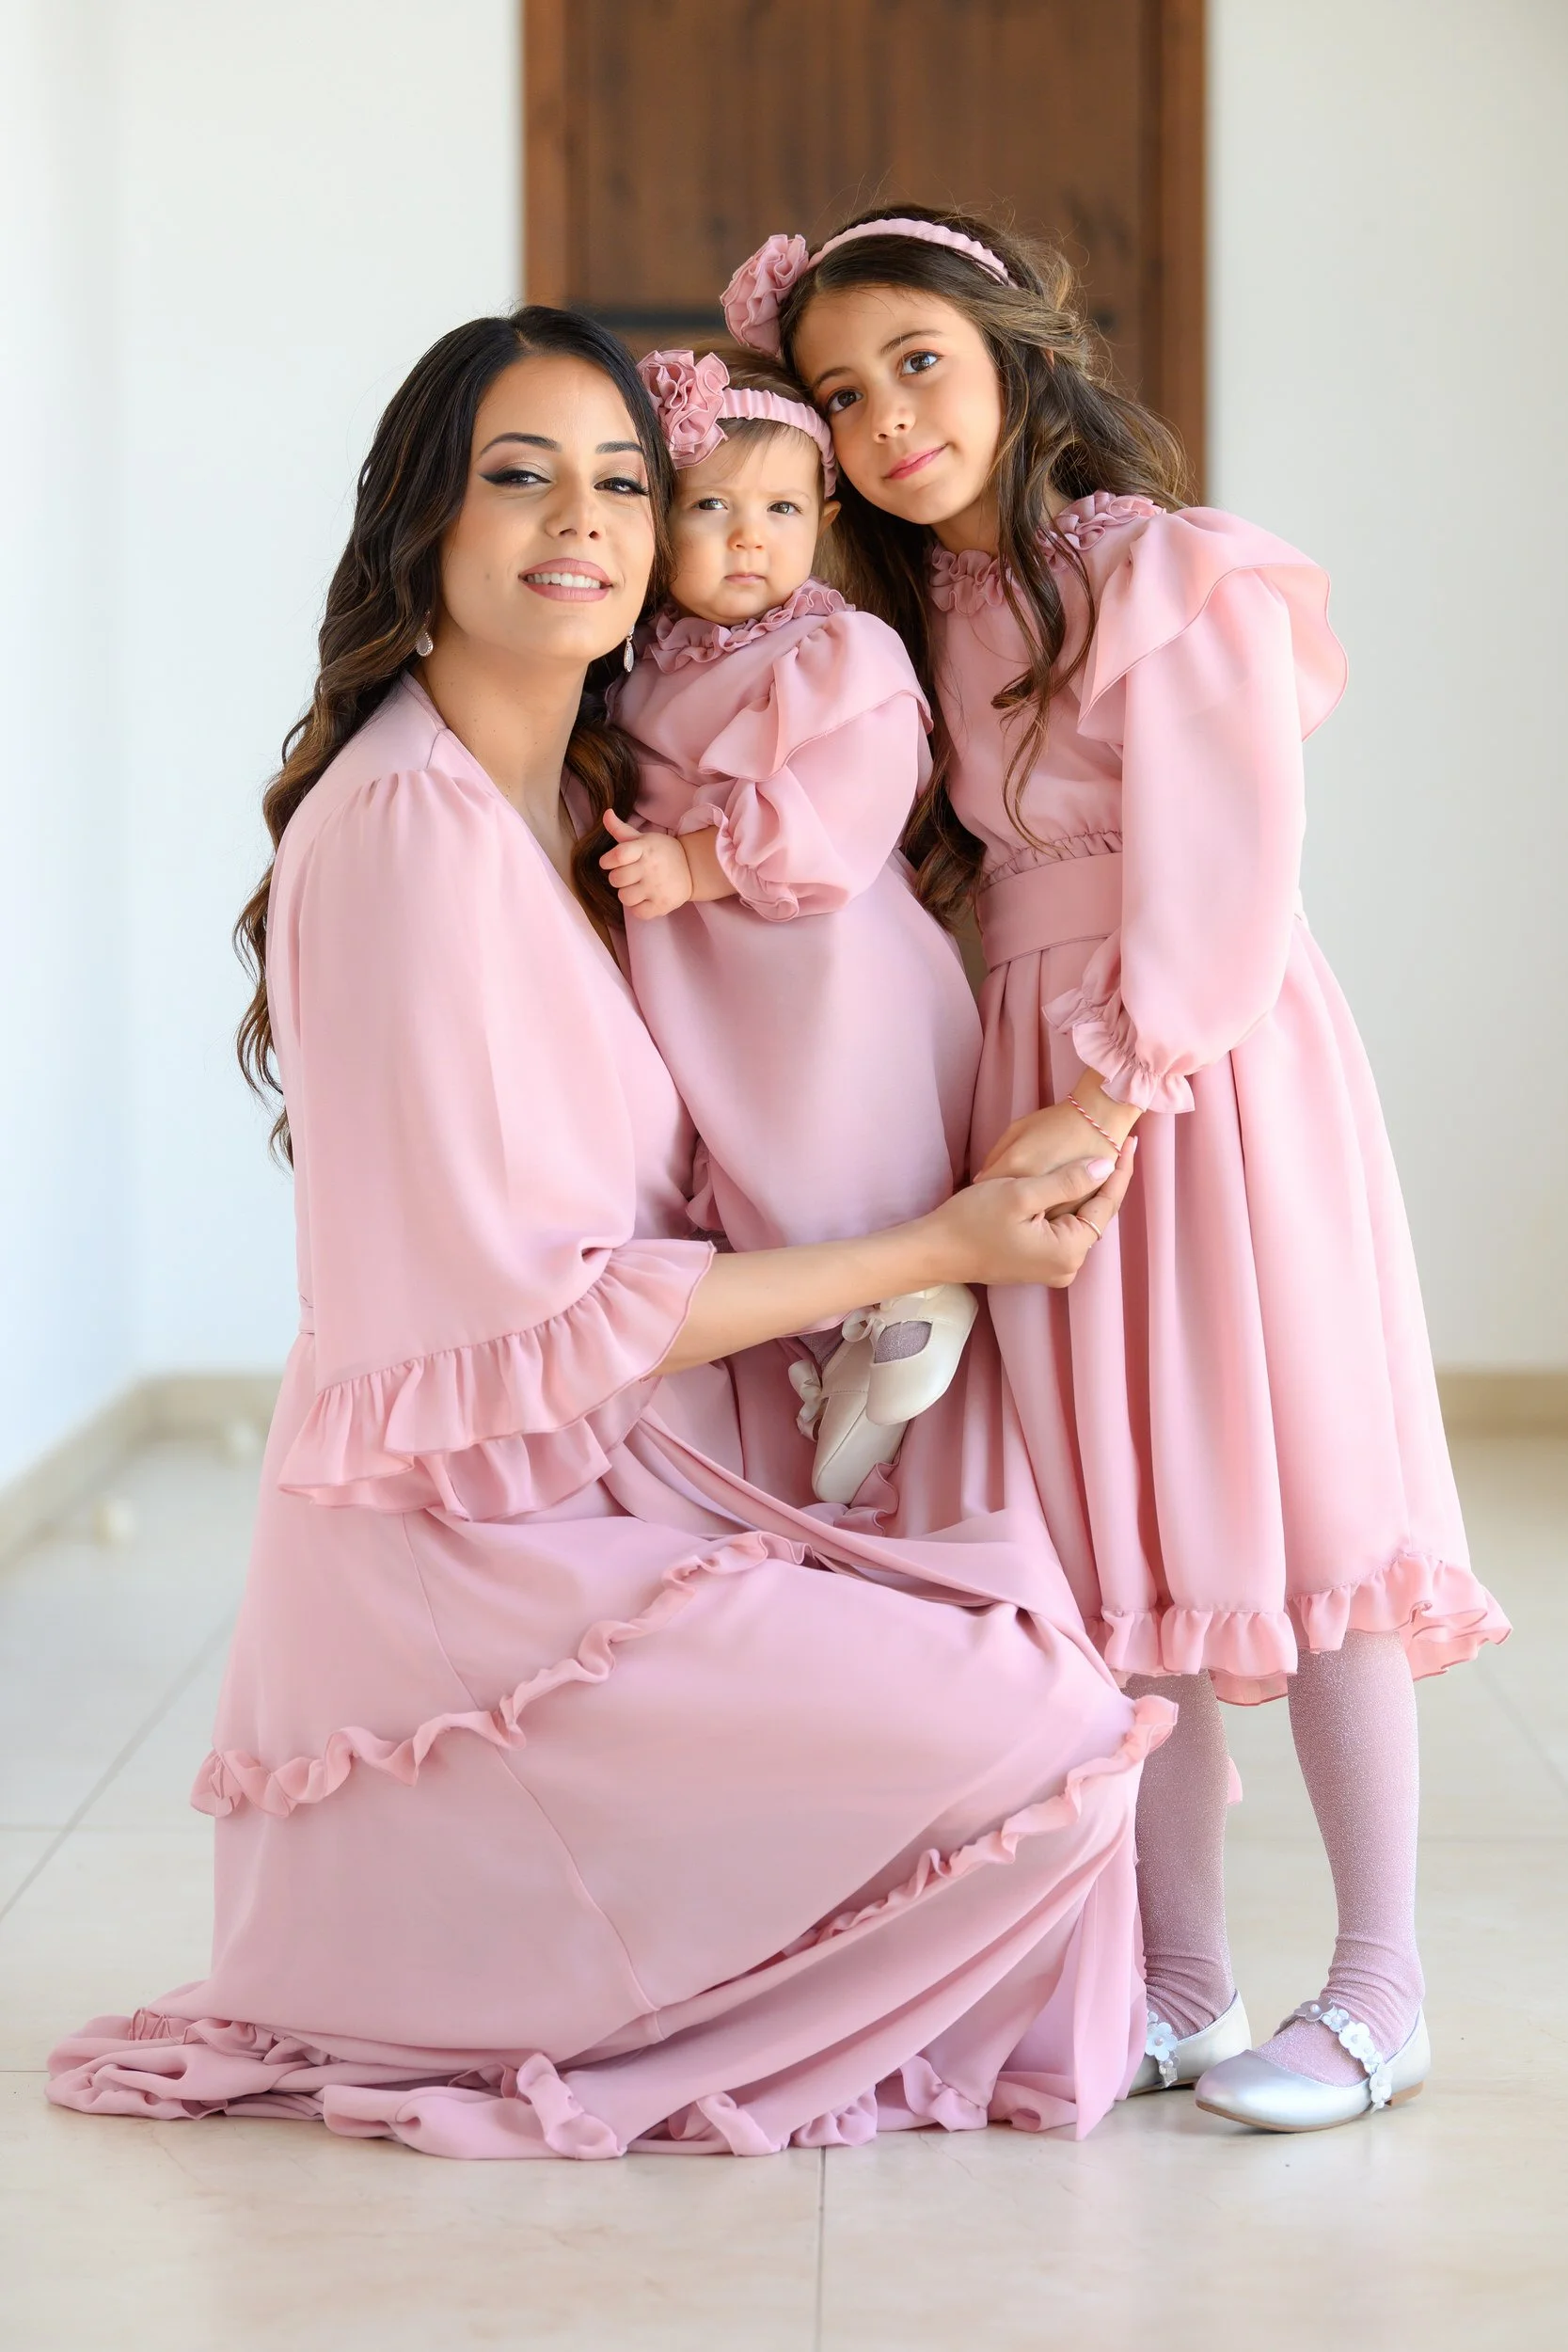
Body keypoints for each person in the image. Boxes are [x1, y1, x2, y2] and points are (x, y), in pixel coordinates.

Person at [46, 305, 1166, 2160]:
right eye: (517, 474)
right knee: (1045, 1739)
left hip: (603, 1494)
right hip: (478, 1577)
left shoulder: (580, 803)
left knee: (1031, 1640)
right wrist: (940, 1247)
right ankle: (561, 1967)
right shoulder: (407, 829)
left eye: (620, 483)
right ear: (422, 525)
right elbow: (537, 1311)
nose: (578, 516)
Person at [721, 206, 1512, 2131]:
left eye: (917, 359)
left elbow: (1227, 862)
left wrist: (1119, 1078)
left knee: (1291, 1499)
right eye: (840, 390)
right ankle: (1172, 1979)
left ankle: (1377, 1987)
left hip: (1198, 1067)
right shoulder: (909, 620)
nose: (888, 414)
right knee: (1104, 1542)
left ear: (1006, 351)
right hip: (1021, 1067)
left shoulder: (1160, 573)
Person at [604, 345, 981, 1502]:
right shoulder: (633, 669)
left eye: (776, 508)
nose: (746, 537)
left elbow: (847, 809)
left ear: (823, 514)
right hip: (706, 977)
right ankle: (833, 1344)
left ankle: (908, 1304)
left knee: (837, 1131)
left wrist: (700, 857)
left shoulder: (834, 650)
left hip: (820, 959)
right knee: (749, 1158)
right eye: (709, 508)